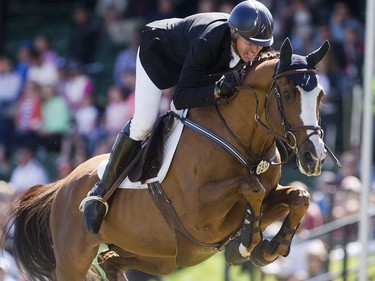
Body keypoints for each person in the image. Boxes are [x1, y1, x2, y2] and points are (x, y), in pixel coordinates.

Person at [81, 0, 274, 234]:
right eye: (250, 42)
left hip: (195, 64)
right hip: (159, 57)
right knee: (143, 124)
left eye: (259, 45)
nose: (254, 50)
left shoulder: (245, 47)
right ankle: (99, 193)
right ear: (234, 33)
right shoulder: (209, 42)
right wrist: (214, 92)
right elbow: (180, 98)